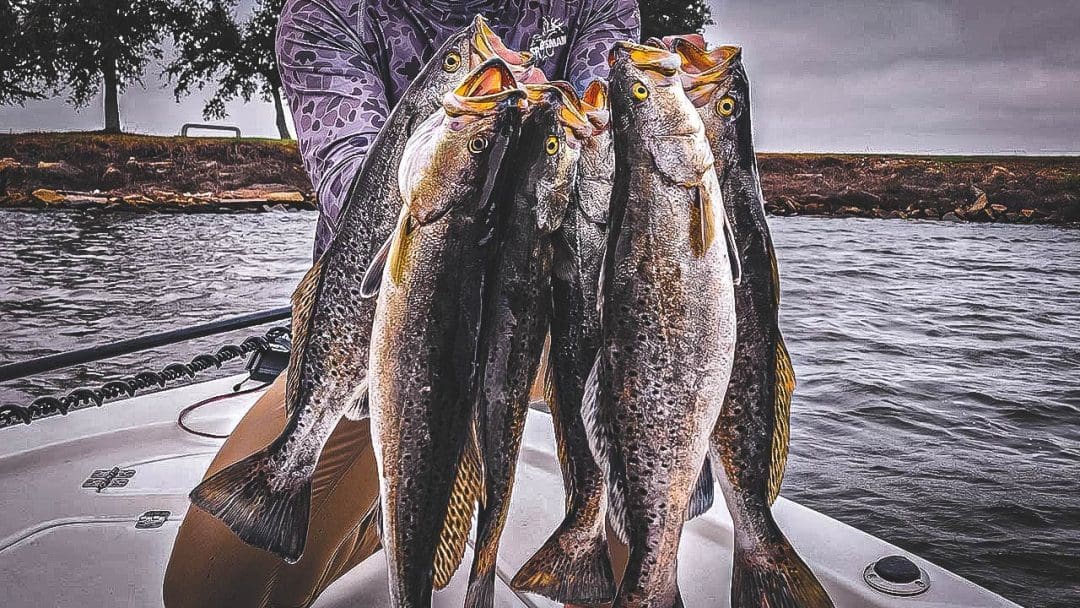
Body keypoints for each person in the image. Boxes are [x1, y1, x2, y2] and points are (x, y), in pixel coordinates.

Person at [163, 2, 639, 606]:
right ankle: (375, 524)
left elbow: (612, 156)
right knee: (203, 589)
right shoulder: (326, 14)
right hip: (386, 335)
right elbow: (348, 185)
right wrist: (474, 126)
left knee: (637, 533)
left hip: (555, 322)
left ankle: (398, 517)